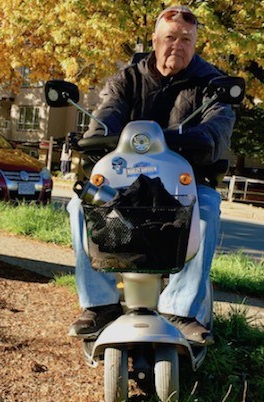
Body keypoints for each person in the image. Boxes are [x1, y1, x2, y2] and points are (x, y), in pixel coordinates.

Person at [66, 5, 237, 346]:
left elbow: (217, 131)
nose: (178, 45)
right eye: (170, 37)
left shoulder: (213, 86)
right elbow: (108, 113)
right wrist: (96, 133)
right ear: (156, 39)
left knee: (206, 208)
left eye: (186, 39)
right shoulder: (127, 78)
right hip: (126, 180)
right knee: (79, 205)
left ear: (195, 43)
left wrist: (199, 140)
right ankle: (99, 304)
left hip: (185, 183)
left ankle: (180, 310)